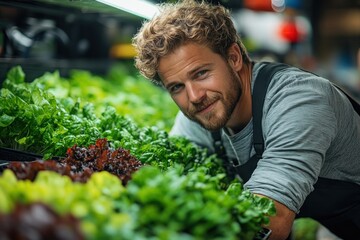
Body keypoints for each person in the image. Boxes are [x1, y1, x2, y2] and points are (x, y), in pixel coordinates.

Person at [132, 0, 360, 239]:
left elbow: (270, 220)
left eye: (201, 73)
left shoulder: (299, 100)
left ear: (234, 58)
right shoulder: (202, 112)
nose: (194, 96)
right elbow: (172, 182)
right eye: (177, 87)